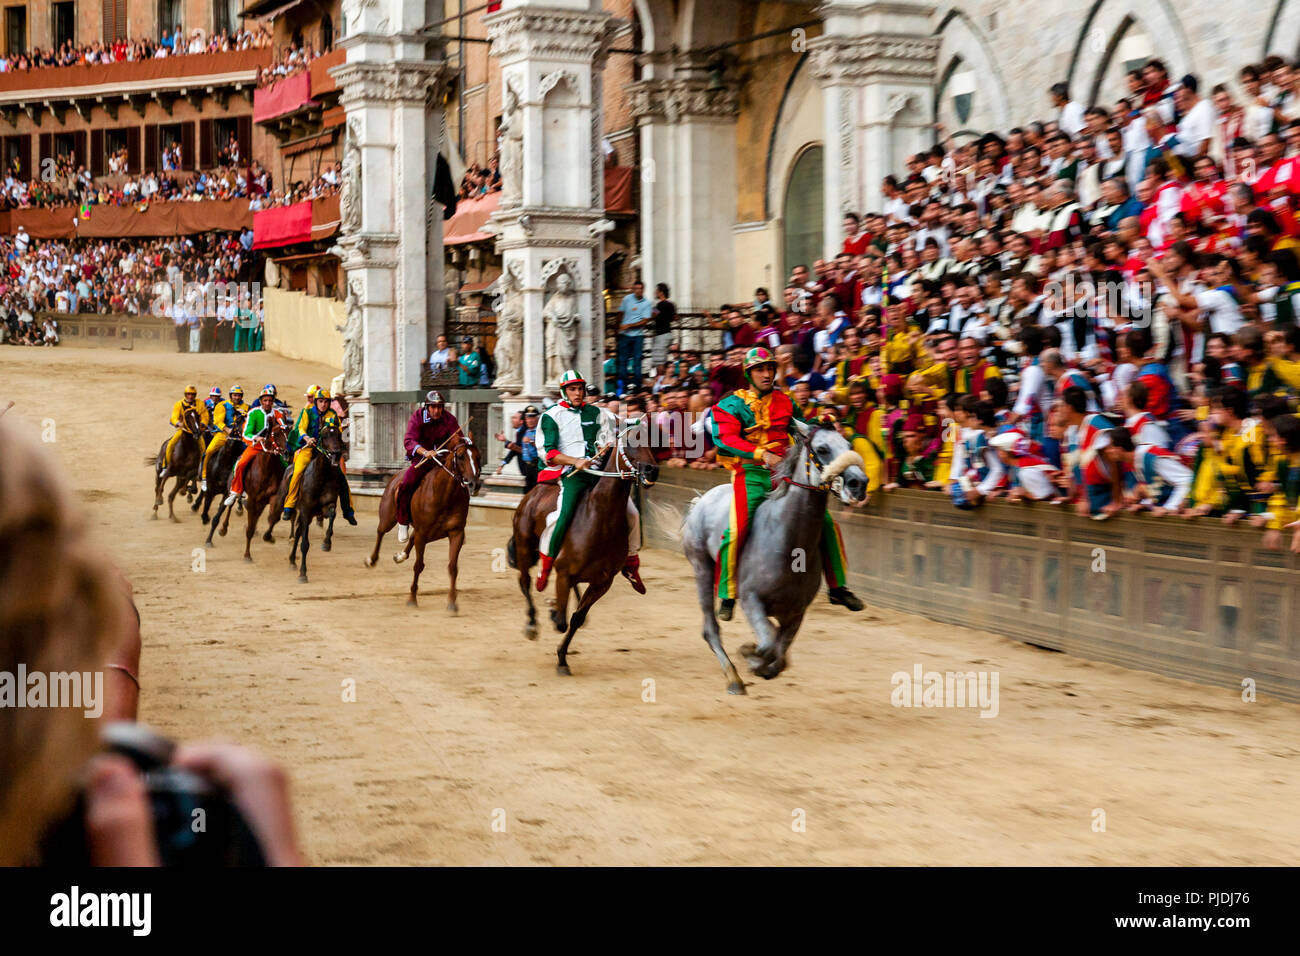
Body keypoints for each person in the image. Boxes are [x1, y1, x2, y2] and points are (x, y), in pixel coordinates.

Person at [710, 346, 864, 620]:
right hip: (751, 474)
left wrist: (821, 421)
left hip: (785, 472)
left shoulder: (785, 400)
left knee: (827, 523)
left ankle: (838, 586)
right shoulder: (729, 405)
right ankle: (728, 592)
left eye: (770, 368)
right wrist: (760, 454)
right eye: (760, 369)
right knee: (737, 529)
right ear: (749, 374)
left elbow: (801, 427)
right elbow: (725, 439)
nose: (767, 373)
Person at [534, 370, 645, 594]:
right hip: (572, 475)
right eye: (573, 389)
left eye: (580, 389)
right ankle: (546, 566)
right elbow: (550, 453)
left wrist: (639, 420)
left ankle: (631, 564)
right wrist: (575, 461)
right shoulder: (551, 416)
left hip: (600, 473)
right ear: (564, 391)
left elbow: (622, 423)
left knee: (632, 514)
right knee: (563, 517)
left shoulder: (598, 412)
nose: (578, 393)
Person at [282, 386, 356, 525]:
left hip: (326, 451)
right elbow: (301, 428)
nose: (323, 404)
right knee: (297, 472)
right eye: (321, 401)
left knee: (341, 478)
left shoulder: (332, 414)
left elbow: (338, 430)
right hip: (309, 448)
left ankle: (348, 511)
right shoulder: (307, 412)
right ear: (316, 402)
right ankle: (289, 505)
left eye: (326, 401)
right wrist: (307, 438)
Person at [395, 390, 461, 543]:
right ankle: (403, 522)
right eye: (433, 407)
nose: (437, 410)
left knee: (459, 481)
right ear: (427, 407)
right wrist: (424, 452)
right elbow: (409, 440)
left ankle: (457, 519)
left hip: (443, 459)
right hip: (422, 459)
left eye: (439, 407)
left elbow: (458, 436)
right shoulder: (417, 417)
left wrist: (464, 443)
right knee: (407, 484)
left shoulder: (449, 419)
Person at [226, 386, 289, 503]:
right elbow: (246, 433)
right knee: (241, 464)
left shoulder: (278, 414)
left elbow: (282, 426)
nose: (268, 403)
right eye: (265, 400)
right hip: (256, 446)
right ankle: (235, 490)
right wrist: (256, 437)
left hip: (273, 447)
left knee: (287, 464)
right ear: (261, 401)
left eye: (270, 400)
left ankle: (288, 492)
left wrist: (283, 429)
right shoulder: (253, 413)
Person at [201, 385, 248, 492]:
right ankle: (204, 477)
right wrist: (228, 429)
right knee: (209, 451)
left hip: (240, 438)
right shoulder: (223, 405)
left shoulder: (246, 407)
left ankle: (242, 483)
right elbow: (218, 421)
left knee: (248, 457)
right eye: (235, 395)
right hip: (223, 435)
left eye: (239, 395)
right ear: (231, 395)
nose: (237, 397)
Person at [163, 384, 208, 470]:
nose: (190, 396)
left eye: (192, 394)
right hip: (183, 430)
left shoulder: (200, 404)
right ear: (185, 395)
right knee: (170, 444)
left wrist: (202, 423)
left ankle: (200, 467)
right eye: (188, 394)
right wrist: (178, 423)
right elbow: (174, 417)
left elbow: (205, 415)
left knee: (203, 448)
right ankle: (166, 465)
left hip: (196, 431)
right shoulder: (178, 404)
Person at [617, 281, 652, 391]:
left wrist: (629, 325)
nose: (638, 291)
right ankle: (623, 385)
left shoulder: (647, 303)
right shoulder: (627, 299)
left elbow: (645, 321)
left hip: (638, 335)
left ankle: (637, 386)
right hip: (624, 335)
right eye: (636, 288)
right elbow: (621, 312)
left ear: (643, 289)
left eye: (640, 288)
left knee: (637, 360)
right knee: (623, 360)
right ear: (633, 289)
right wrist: (618, 326)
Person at [499, 404, 541, 491]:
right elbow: (516, 449)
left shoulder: (540, 431)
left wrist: (531, 441)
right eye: (528, 418)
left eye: (532, 418)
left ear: (537, 419)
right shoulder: (524, 431)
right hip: (527, 468)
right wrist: (503, 463)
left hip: (537, 466)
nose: (530, 420)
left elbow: (542, 447)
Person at [650, 282, 676, 369]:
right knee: (663, 360)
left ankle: (660, 380)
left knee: (659, 362)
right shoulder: (671, 304)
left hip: (661, 335)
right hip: (668, 333)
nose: (655, 292)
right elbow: (674, 318)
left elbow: (652, 316)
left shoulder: (659, 305)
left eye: (656, 290)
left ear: (661, 292)